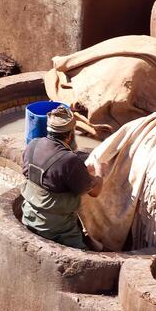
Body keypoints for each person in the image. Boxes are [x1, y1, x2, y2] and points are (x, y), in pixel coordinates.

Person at [21, 105, 100, 249]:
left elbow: (47, 175)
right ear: (70, 135)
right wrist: (99, 175)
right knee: (82, 254)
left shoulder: (32, 145)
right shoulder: (69, 160)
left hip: (29, 217)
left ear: (49, 130)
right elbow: (94, 192)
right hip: (57, 229)